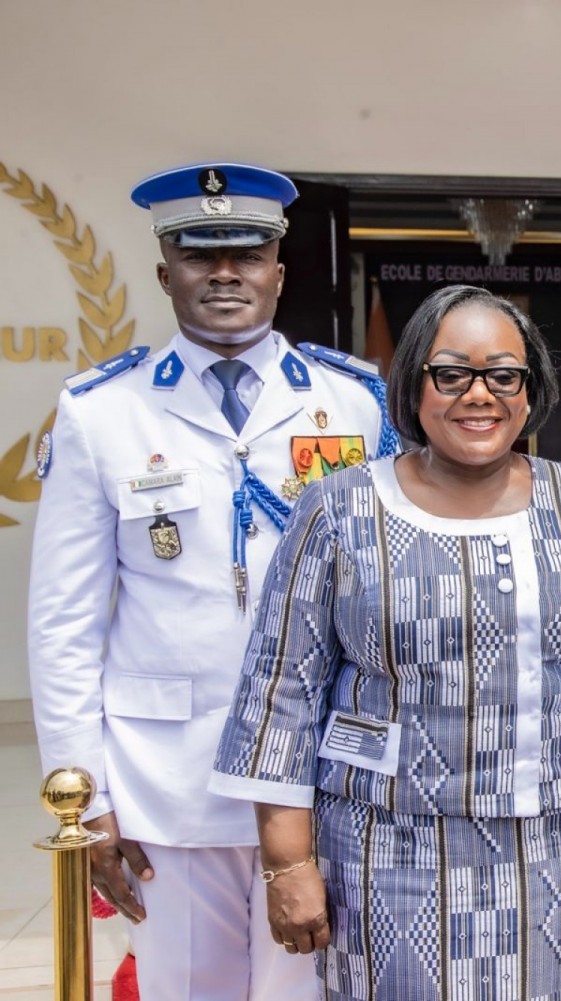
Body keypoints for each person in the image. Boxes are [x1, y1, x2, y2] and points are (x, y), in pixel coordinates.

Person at [210, 285, 561, 1000]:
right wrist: (287, 863)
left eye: (503, 374)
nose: (478, 395)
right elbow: (280, 688)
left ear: (531, 388)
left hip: (556, 849)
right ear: (413, 383)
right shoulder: (339, 506)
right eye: (451, 373)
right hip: (384, 850)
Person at [27, 162, 394, 1000]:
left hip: (322, 773)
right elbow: (63, 622)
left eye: (247, 254)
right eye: (200, 256)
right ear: (166, 273)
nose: (224, 274)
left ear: (279, 271)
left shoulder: (354, 402)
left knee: (312, 990)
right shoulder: (101, 411)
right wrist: (86, 800)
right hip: (170, 782)